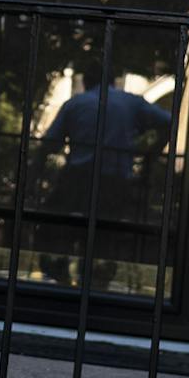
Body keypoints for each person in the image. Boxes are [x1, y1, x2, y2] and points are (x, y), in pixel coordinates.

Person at [37, 69, 173, 287]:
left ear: (86, 82)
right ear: (113, 82)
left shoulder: (75, 103)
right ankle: (96, 282)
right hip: (114, 180)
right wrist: (152, 152)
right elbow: (168, 121)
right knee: (104, 234)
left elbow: (50, 142)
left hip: (78, 178)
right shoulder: (132, 103)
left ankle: (60, 278)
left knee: (62, 227)